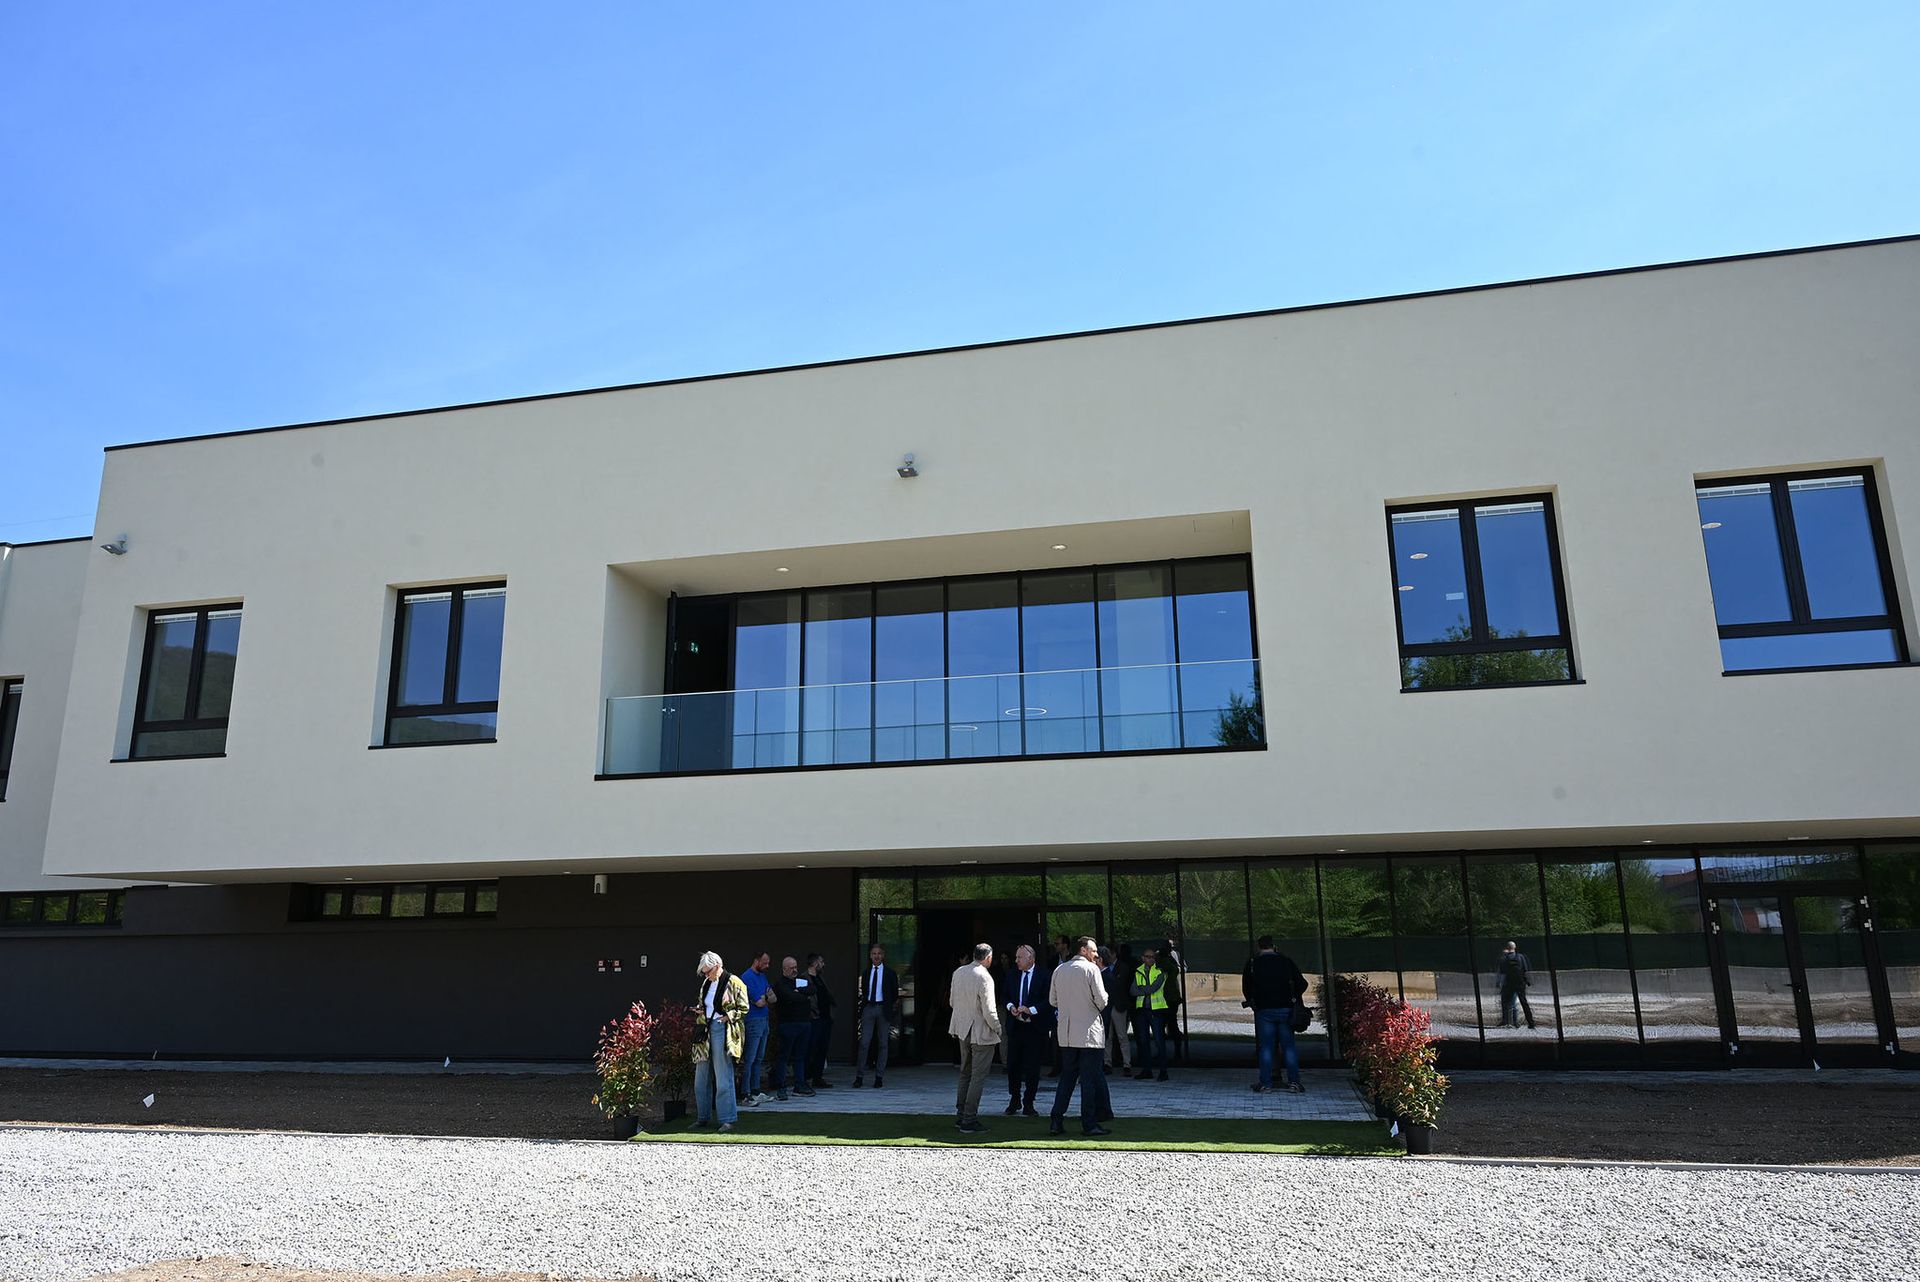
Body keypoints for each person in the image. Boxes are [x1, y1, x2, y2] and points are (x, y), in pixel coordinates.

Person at [1048, 935, 1113, 1136]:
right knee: (1088, 1080)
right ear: (1083, 950)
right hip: (1088, 1035)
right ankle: (1089, 1124)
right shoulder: (1091, 969)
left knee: (1067, 1079)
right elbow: (1102, 1001)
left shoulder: (1060, 969)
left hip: (1067, 1035)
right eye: (1093, 950)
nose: (1096, 954)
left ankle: (1056, 1121)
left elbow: (1052, 1000)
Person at [1242, 935, 1309, 1094]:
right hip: (1286, 1008)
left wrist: (1254, 1002)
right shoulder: (1286, 961)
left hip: (1264, 1010)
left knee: (1266, 1047)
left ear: (1259, 947)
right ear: (1274, 946)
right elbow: (1302, 983)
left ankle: (1266, 1083)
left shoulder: (1253, 963)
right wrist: (1292, 997)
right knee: (1289, 1047)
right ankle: (1294, 1082)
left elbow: (1246, 987)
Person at [947, 943, 1002, 1133]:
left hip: (963, 1029)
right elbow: (989, 1010)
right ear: (988, 957)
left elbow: (952, 1001)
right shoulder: (984, 976)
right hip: (979, 1031)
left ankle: (961, 1115)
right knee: (977, 1077)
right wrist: (998, 1028)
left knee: (965, 1073)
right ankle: (969, 1120)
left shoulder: (959, 972)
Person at [692, 951, 749, 1132]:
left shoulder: (734, 982)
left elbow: (744, 1008)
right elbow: (704, 1003)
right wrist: (700, 1010)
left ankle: (727, 1119)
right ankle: (703, 1117)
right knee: (701, 1078)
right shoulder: (707, 983)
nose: (706, 974)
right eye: (704, 972)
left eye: (708, 971)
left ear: (717, 966)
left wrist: (728, 1016)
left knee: (723, 1077)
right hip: (706, 1030)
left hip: (722, 1031)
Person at [999, 944, 1048, 1115]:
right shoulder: (1012, 975)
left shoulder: (1043, 975)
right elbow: (1004, 995)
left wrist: (1031, 1010)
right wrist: (1011, 1006)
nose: (1016, 961)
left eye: (1020, 957)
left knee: (1033, 1067)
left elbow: (1049, 1000)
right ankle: (1014, 1099)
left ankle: (1029, 1102)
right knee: (1013, 1065)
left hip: (1034, 1028)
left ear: (1031, 959)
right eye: (1016, 957)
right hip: (1015, 1027)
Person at [768, 955, 818, 1101]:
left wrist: (800, 993)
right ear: (784, 969)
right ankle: (781, 1088)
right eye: (791, 968)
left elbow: (812, 989)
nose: (795, 970)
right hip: (788, 1024)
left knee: (800, 1057)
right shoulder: (780, 984)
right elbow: (791, 997)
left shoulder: (799, 981)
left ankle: (800, 1085)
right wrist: (802, 995)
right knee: (784, 1057)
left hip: (803, 1023)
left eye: (796, 967)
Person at [853, 944, 898, 1088]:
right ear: (870, 956)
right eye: (874, 953)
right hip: (869, 1008)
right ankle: (859, 1076)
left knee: (883, 1043)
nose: (876, 956)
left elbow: (894, 993)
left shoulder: (890, 973)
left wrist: (889, 1006)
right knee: (864, 1042)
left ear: (883, 955)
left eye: (879, 953)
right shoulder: (866, 973)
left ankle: (879, 1077)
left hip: (883, 1008)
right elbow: (864, 991)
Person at [737, 950, 774, 1107]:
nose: (767, 966)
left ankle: (756, 1090)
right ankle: (746, 1092)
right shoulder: (746, 978)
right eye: (764, 962)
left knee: (759, 1058)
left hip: (764, 1020)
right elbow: (759, 1002)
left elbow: (773, 997)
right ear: (756, 961)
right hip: (752, 1021)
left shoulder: (763, 977)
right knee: (750, 1059)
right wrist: (766, 997)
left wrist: (765, 997)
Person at [1131, 946, 1170, 1080]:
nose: (1150, 959)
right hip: (1142, 1010)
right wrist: (1145, 989)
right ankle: (1147, 1070)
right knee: (1143, 1040)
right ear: (1142, 958)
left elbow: (1153, 988)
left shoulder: (1160, 972)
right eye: (1148, 957)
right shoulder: (1138, 972)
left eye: (1152, 957)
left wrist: (1142, 988)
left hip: (1156, 1010)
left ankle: (1163, 1071)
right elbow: (1132, 991)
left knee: (1159, 1040)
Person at [1098, 946, 1133, 1074]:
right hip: (1106, 1006)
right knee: (1107, 1036)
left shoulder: (1122, 967)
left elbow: (1120, 983)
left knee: (1122, 1036)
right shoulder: (1099, 970)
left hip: (1118, 1005)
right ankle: (1107, 1063)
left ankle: (1127, 1064)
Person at [805, 952, 837, 1087]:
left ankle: (818, 1078)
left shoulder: (820, 978)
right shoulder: (804, 978)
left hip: (825, 1019)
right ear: (815, 963)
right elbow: (804, 998)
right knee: (811, 1049)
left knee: (822, 1049)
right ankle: (806, 1078)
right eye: (821, 962)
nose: (823, 964)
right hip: (814, 1019)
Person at [1497, 940, 1536, 1029]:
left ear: (1507, 948)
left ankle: (1506, 1021)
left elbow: (1502, 971)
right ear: (1515, 947)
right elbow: (1525, 969)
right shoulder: (1520, 957)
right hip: (1520, 983)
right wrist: (1527, 981)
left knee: (1505, 1002)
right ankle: (1531, 1022)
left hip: (1509, 983)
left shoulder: (1504, 958)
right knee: (1524, 1003)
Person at [1160, 937, 1187, 1064]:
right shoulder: (1164, 960)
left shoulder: (1169, 960)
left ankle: (1176, 1050)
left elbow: (1179, 969)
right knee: (1166, 1025)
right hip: (1165, 997)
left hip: (1170, 997)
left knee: (1171, 1024)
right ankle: (1167, 1051)